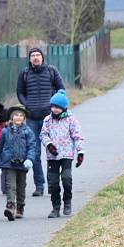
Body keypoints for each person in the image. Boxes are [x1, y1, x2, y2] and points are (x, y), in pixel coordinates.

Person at [17, 47, 67, 197]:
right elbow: (19, 92)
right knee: (35, 153)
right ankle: (39, 185)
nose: (36, 57)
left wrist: (54, 105)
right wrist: (27, 104)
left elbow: (61, 90)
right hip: (32, 118)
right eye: (33, 55)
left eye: (38, 55)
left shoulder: (51, 71)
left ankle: (53, 185)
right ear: (29, 59)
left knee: (53, 153)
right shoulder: (24, 74)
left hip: (50, 119)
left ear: (42, 57)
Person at [40, 90, 85, 218]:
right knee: (53, 183)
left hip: (66, 155)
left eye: (58, 107)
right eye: (53, 107)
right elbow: (43, 134)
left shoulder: (71, 120)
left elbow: (78, 136)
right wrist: (49, 145)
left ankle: (67, 202)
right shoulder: (47, 120)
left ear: (64, 107)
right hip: (52, 156)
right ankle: (55, 207)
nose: (54, 109)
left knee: (66, 178)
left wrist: (80, 152)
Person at [0, 105, 37, 221]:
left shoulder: (28, 132)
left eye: (21, 115)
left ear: (24, 118)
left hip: (22, 164)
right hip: (8, 163)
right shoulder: (5, 131)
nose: (18, 117)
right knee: (10, 186)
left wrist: (30, 159)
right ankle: (10, 207)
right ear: (12, 118)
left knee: (21, 187)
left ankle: (20, 207)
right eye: (16, 115)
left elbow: (32, 147)